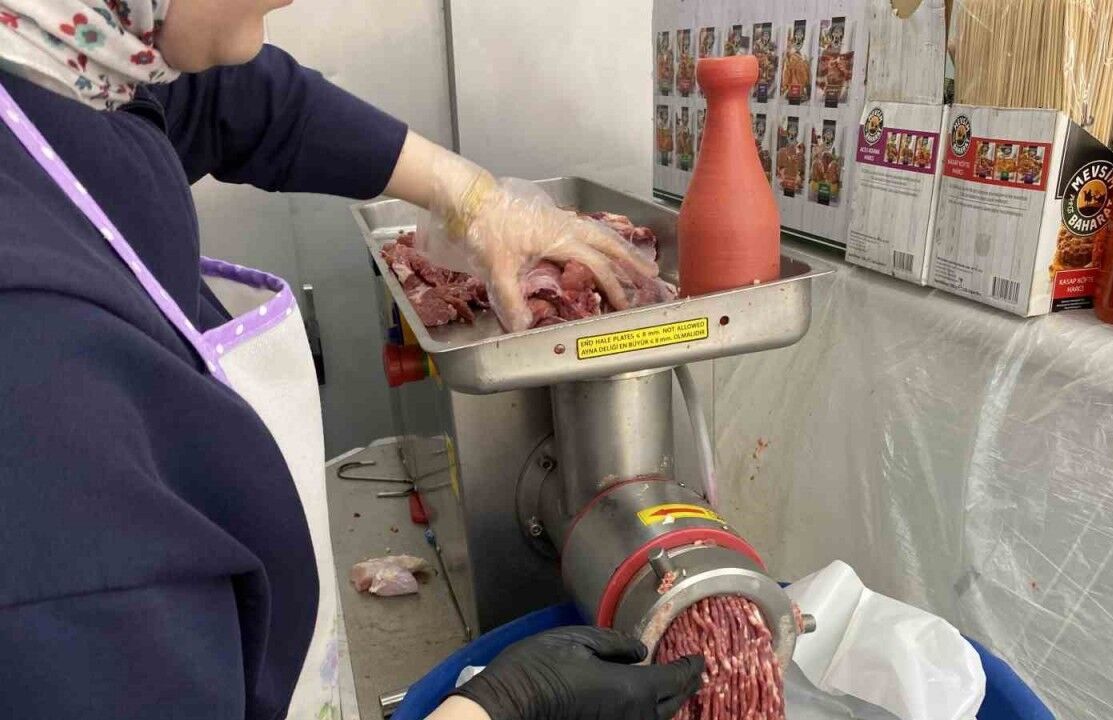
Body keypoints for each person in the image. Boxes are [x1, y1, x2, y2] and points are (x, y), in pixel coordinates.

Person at [0, 2, 703, 719]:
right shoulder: (33, 362)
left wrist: (476, 200)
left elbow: (235, 97)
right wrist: (500, 706)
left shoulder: (75, 77)